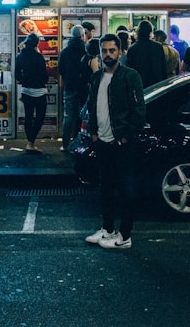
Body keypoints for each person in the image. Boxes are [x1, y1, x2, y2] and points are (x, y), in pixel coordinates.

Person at [85, 33, 145, 249]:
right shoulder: (96, 78)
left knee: (126, 190)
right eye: (104, 51)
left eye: (112, 50)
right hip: (102, 142)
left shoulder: (130, 76)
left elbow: (139, 111)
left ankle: (125, 236)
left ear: (120, 52)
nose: (108, 54)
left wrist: (124, 137)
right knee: (106, 188)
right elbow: (92, 107)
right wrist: (93, 133)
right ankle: (107, 229)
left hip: (122, 144)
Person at [15, 33, 48, 153]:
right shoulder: (38, 57)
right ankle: (31, 142)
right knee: (40, 117)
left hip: (26, 90)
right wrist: (40, 82)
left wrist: (25, 82)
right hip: (39, 91)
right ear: (37, 43)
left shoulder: (21, 55)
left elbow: (17, 74)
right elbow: (44, 75)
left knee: (28, 116)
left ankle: (30, 142)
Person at [58, 24, 86, 152]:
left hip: (69, 86)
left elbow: (61, 70)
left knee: (69, 115)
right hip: (83, 87)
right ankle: (79, 141)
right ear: (82, 36)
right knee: (83, 115)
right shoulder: (86, 50)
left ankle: (65, 144)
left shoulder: (65, 51)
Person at [126, 20, 167, 88]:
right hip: (156, 85)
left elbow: (129, 71)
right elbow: (163, 69)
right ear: (150, 32)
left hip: (139, 85)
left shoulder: (132, 49)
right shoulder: (158, 47)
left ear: (138, 32)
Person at [79, 38, 101, 105]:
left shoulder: (85, 57)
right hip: (90, 90)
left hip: (83, 89)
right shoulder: (93, 60)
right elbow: (97, 76)